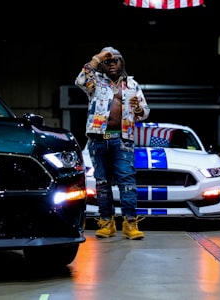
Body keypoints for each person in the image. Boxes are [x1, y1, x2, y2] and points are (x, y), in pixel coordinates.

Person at [75, 46, 150, 240]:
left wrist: (139, 110)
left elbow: (145, 111)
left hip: (123, 139)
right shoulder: (96, 83)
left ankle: (130, 224)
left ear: (121, 62)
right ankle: (107, 223)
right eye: (107, 61)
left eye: (114, 60)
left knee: (127, 181)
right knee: (102, 183)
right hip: (98, 138)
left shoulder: (132, 84)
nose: (111, 64)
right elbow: (80, 80)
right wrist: (98, 57)